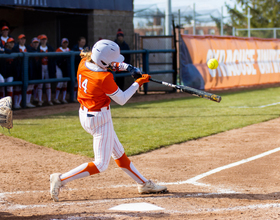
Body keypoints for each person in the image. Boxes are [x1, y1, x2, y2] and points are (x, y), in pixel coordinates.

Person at [50, 39, 167, 202]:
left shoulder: (84, 62)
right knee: (101, 164)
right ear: (103, 60)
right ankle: (61, 179)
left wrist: (128, 67)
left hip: (85, 115)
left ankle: (143, 183)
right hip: (100, 120)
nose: (114, 63)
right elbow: (122, 99)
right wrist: (138, 82)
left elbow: (108, 63)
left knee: (119, 154)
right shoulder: (104, 78)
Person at [37, 34, 56, 106]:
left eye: (45, 39)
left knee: (48, 84)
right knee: (40, 84)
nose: (44, 41)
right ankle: (40, 101)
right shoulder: (38, 48)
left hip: (48, 67)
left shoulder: (50, 48)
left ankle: (49, 100)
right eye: (42, 39)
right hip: (40, 67)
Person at [71, 36, 88, 102]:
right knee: (75, 82)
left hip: (84, 68)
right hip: (76, 67)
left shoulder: (86, 48)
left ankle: (82, 96)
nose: (83, 43)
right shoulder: (75, 48)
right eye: (82, 42)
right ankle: (74, 97)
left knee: (83, 83)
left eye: (84, 42)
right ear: (79, 42)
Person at [54, 38, 70, 104]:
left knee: (65, 84)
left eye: (66, 42)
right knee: (60, 83)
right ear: (61, 43)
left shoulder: (69, 50)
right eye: (64, 42)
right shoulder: (58, 50)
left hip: (66, 68)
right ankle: (56, 98)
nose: (65, 44)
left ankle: (63, 98)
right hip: (59, 68)